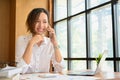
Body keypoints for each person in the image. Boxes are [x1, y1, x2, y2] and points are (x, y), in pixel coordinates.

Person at [16, 8, 64, 74]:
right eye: (37, 21)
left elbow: (60, 68)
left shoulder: (50, 43)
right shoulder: (21, 40)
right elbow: (20, 70)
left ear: (48, 25)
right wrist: (31, 43)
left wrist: (55, 43)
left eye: (44, 22)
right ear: (31, 22)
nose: (41, 25)